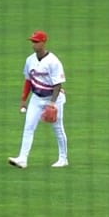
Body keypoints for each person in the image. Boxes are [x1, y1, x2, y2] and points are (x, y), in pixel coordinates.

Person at [9, 30, 69, 169]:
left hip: (54, 98)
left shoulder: (53, 61)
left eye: (36, 42)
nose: (33, 44)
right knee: (28, 126)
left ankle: (63, 158)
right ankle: (22, 159)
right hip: (36, 98)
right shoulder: (30, 60)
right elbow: (28, 81)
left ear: (43, 42)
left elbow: (58, 84)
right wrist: (23, 99)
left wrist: (53, 104)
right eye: (32, 41)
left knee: (58, 129)